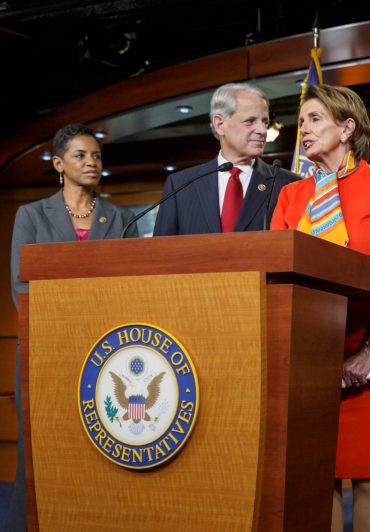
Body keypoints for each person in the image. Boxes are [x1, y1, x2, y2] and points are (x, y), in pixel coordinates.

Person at [270, 84, 370, 532]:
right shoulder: (292, 198)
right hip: (311, 357)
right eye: (302, 124)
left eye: (315, 120)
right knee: (320, 478)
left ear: (347, 127)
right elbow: (277, 276)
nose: (305, 131)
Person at [7, 123, 138, 532]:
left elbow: (133, 283)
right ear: (59, 164)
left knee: (100, 444)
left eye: (97, 155)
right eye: (81, 155)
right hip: (46, 347)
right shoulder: (30, 215)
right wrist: (68, 325)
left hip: (105, 351)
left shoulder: (121, 217)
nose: (92, 162)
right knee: (42, 445)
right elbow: (20, 285)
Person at [153, 82, 298, 236]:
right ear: (220, 124)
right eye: (250, 121)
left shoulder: (288, 185)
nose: (262, 130)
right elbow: (160, 253)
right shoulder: (180, 186)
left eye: (265, 122)